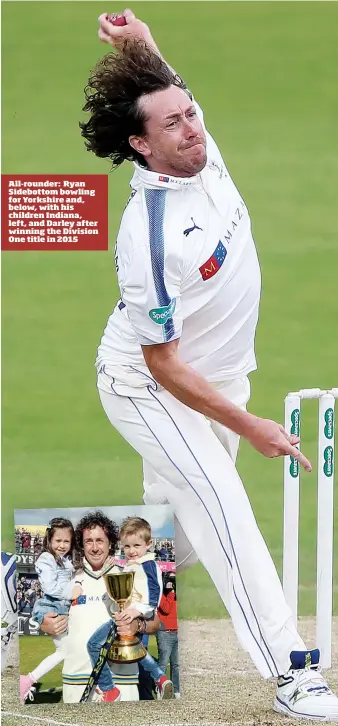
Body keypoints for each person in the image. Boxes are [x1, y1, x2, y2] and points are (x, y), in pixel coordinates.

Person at [79, 10, 338, 721]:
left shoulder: (198, 148)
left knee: (178, 539)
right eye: (174, 124)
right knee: (224, 503)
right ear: (141, 145)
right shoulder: (149, 235)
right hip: (149, 389)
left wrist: (139, 40)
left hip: (218, 381)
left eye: (192, 114)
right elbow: (160, 363)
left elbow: (168, 87)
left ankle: (46, 581)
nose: (193, 127)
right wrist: (251, 426)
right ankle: (292, 674)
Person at [40, 510, 161, 703]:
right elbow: (46, 615)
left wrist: (137, 626)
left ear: (110, 543)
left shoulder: (127, 574)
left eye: (100, 540)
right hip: (76, 681)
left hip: (122, 682)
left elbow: (155, 622)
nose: (95, 547)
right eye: (89, 541)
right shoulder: (68, 579)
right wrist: (45, 624)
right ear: (81, 544)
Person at [86, 516, 174, 701]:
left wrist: (138, 611)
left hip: (132, 617)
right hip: (125, 615)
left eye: (136, 545)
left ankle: (109, 688)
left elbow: (155, 592)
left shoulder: (149, 564)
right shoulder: (132, 565)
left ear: (148, 544)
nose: (131, 551)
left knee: (94, 645)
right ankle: (160, 677)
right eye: (127, 546)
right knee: (138, 651)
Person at [19, 517, 79, 703]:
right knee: (65, 651)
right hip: (53, 607)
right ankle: (27, 681)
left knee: (69, 650)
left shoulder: (65, 559)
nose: (62, 545)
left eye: (66, 541)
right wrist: (73, 590)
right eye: (58, 541)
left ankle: (28, 681)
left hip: (62, 607)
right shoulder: (46, 558)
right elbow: (50, 587)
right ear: (49, 541)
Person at [157, 571, 180, 698]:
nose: (172, 582)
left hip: (177, 632)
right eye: (170, 579)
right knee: (163, 663)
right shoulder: (161, 594)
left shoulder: (177, 594)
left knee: (176, 665)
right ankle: (161, 690)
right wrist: (170, 593)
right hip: (165, 632)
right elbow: (165, 609)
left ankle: (177, 691)